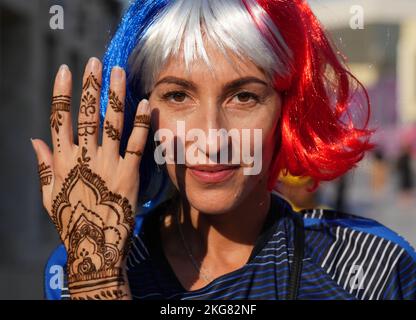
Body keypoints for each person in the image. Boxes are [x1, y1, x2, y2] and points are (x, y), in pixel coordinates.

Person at [31, 0, 416, 300]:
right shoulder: (83, 262)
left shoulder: (372, 268)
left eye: (244, 96)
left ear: (288, 110)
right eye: (178, 95)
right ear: (141, 112)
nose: (212, 138)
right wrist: (98, 279)